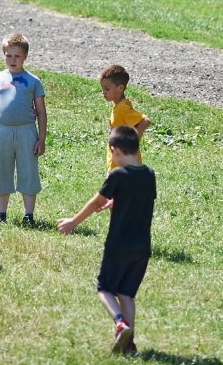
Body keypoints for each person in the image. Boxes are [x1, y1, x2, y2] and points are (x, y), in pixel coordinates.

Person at [58, 125, 156, 357]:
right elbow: (141, 199)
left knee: (104, 288)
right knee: (126, 293)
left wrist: (73, 221)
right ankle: (130, 345)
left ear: (115, 150)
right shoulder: (149, 174)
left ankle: (120, 323)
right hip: (142, 247)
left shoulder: (117, 175)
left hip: (119, 245)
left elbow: (95, 202)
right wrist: (115, 201)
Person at [0, 32, 47, 227]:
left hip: (27, 132)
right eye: (8, 55)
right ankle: (1, 213)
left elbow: (41, 111)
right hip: (2, 131)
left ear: (25, 56)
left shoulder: (33, 81)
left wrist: (41, 138)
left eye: (17, 56)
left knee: (28, 171)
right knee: (1, 171)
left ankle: (29, 215)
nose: (12, 60)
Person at [99, 64, 150, 172]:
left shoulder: (123, 108)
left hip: (124, 167)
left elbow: (145, 121)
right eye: (102, 88)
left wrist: (133, 143)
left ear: (120, 88)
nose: (103, 92)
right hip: (117, 165)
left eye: (107, 89)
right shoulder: (118, 106)